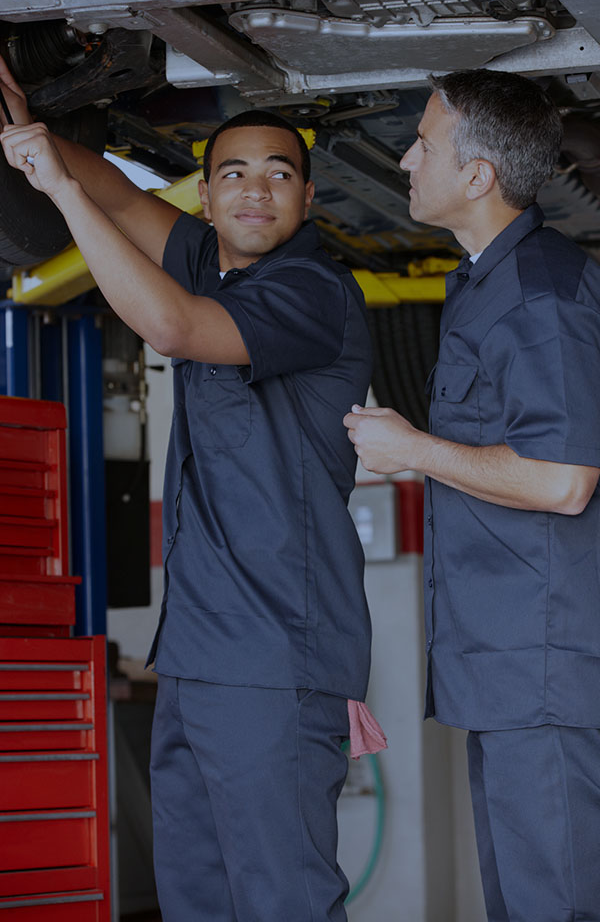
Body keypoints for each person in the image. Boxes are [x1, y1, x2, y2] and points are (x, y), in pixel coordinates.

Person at [0, 60, 379, 921]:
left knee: (280, 901)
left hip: (276, 659)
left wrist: (59, 193)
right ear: (205, 198)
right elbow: (126, 200)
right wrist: (28, 133)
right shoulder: (213, 260)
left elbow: (172, 325)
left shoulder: (312, 291)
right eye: (233, 174)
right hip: (203, 659)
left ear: (309, 199)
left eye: (279, 174)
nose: (255, 191)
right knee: (198, 899)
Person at [344, 68, 600, 922]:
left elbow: (563, 481)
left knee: (553, 903)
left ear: (480, 174)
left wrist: (416, 448)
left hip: (545, 675)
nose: (409, 157)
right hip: (509, 672)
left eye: (424, 141)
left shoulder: (539, 296)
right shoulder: (487, 283)